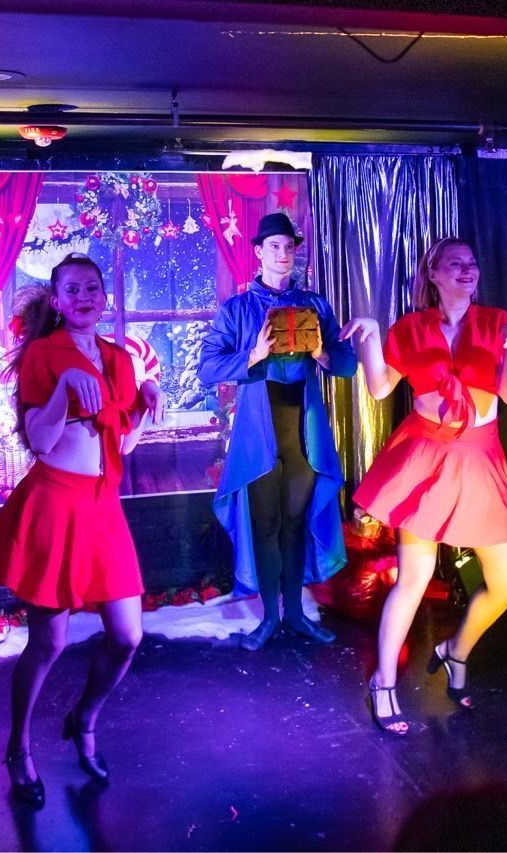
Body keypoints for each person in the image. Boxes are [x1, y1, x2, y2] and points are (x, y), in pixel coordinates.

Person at [0, 253, 164, 808]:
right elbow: (39, 440)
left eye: (93, 288)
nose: (84, 297)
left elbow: (122, 442)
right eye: (72, 289)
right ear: (56, 300)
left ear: (104, 297)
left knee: (128, 635)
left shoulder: (117, 358)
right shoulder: (43, 354)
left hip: (103, 507)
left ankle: (84, 718)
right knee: (49, 640)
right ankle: (18, 747)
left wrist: (146, 409)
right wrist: (64, 390)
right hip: (55, 503)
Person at [341, 237, 507, 729]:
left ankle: (456, 650)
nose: (466, 270)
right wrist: (370, 333)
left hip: (479, 456)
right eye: (455, 264)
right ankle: (383, 683)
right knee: (414, 577)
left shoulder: (498, 322)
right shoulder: (411, 328)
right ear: (432, 274)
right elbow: (377, 387)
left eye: (472, 264)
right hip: (426, 456)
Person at [197, 212, 357, 651]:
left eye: (289, 246)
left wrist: (323, 353)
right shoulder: (237, 309)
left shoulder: (317, 306)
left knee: (294, 525)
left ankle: (297, 617)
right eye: (275, 246)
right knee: (264, 525)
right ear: (259, 252)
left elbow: (347, 365)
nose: (283, 254)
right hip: (258, 436)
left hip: (303, 436)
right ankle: (269, 618)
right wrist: (252, 355)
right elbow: (207, 368)